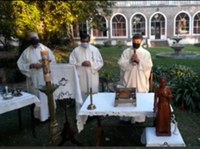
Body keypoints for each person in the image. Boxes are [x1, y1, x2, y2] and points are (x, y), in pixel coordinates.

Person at [17, 32, 56, 122]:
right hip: (33, 78)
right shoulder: (26, 52)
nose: (34, 41)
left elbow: (53, 61)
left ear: (38, 38)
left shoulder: (45, 49)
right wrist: (31, 66)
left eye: (35, 38)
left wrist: (44, 64)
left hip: (44, 77)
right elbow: (20, 64)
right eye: (31, 39)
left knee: (46, 96)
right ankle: (38, 116)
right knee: (36, 96)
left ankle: (50, 114)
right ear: (29, 41)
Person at [118, 33, 153, 123]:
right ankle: (126, 117)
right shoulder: (126, 52)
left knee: (140, 97)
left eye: (138, 41)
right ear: (132, 40)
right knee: (127, 97)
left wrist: (139, 61)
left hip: (140, 79)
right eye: (135, 40)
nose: (136, 42)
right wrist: (130, 61)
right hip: (128, 78)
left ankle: (138, 118)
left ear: (141, 41)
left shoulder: (146, 53)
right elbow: (121, 63)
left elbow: (149, 66)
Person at [69, 33, 104, 102]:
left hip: (92, 75)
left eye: (87, 41)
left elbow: (100, 62)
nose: (85, 43)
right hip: (81, 76)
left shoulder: (94, 50)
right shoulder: (76, 51)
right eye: (83, 41)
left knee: (93, 95)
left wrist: (91, 64)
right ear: (80, 40)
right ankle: (81, 109)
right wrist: (81, 64)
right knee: (82, 93)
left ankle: (94, 109)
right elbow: (71, 63)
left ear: (89, 40)